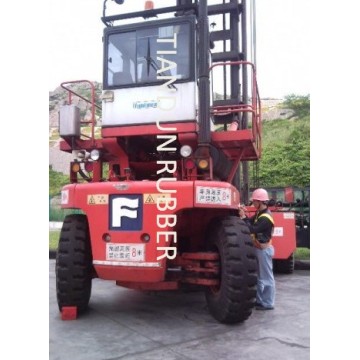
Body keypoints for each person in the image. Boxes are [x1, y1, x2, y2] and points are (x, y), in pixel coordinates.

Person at [239, 188, 275, 310]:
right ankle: (260, 301)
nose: (253, 203)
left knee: (266, 277)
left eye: (254, 201)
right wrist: (244, 214)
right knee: (260, 277)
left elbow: (252, 229)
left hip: (264, 250)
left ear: (260, 202)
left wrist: (243, 217)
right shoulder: (260, 214)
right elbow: (249, 221)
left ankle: (268, 303)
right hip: (259, 249)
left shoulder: (266, 217)